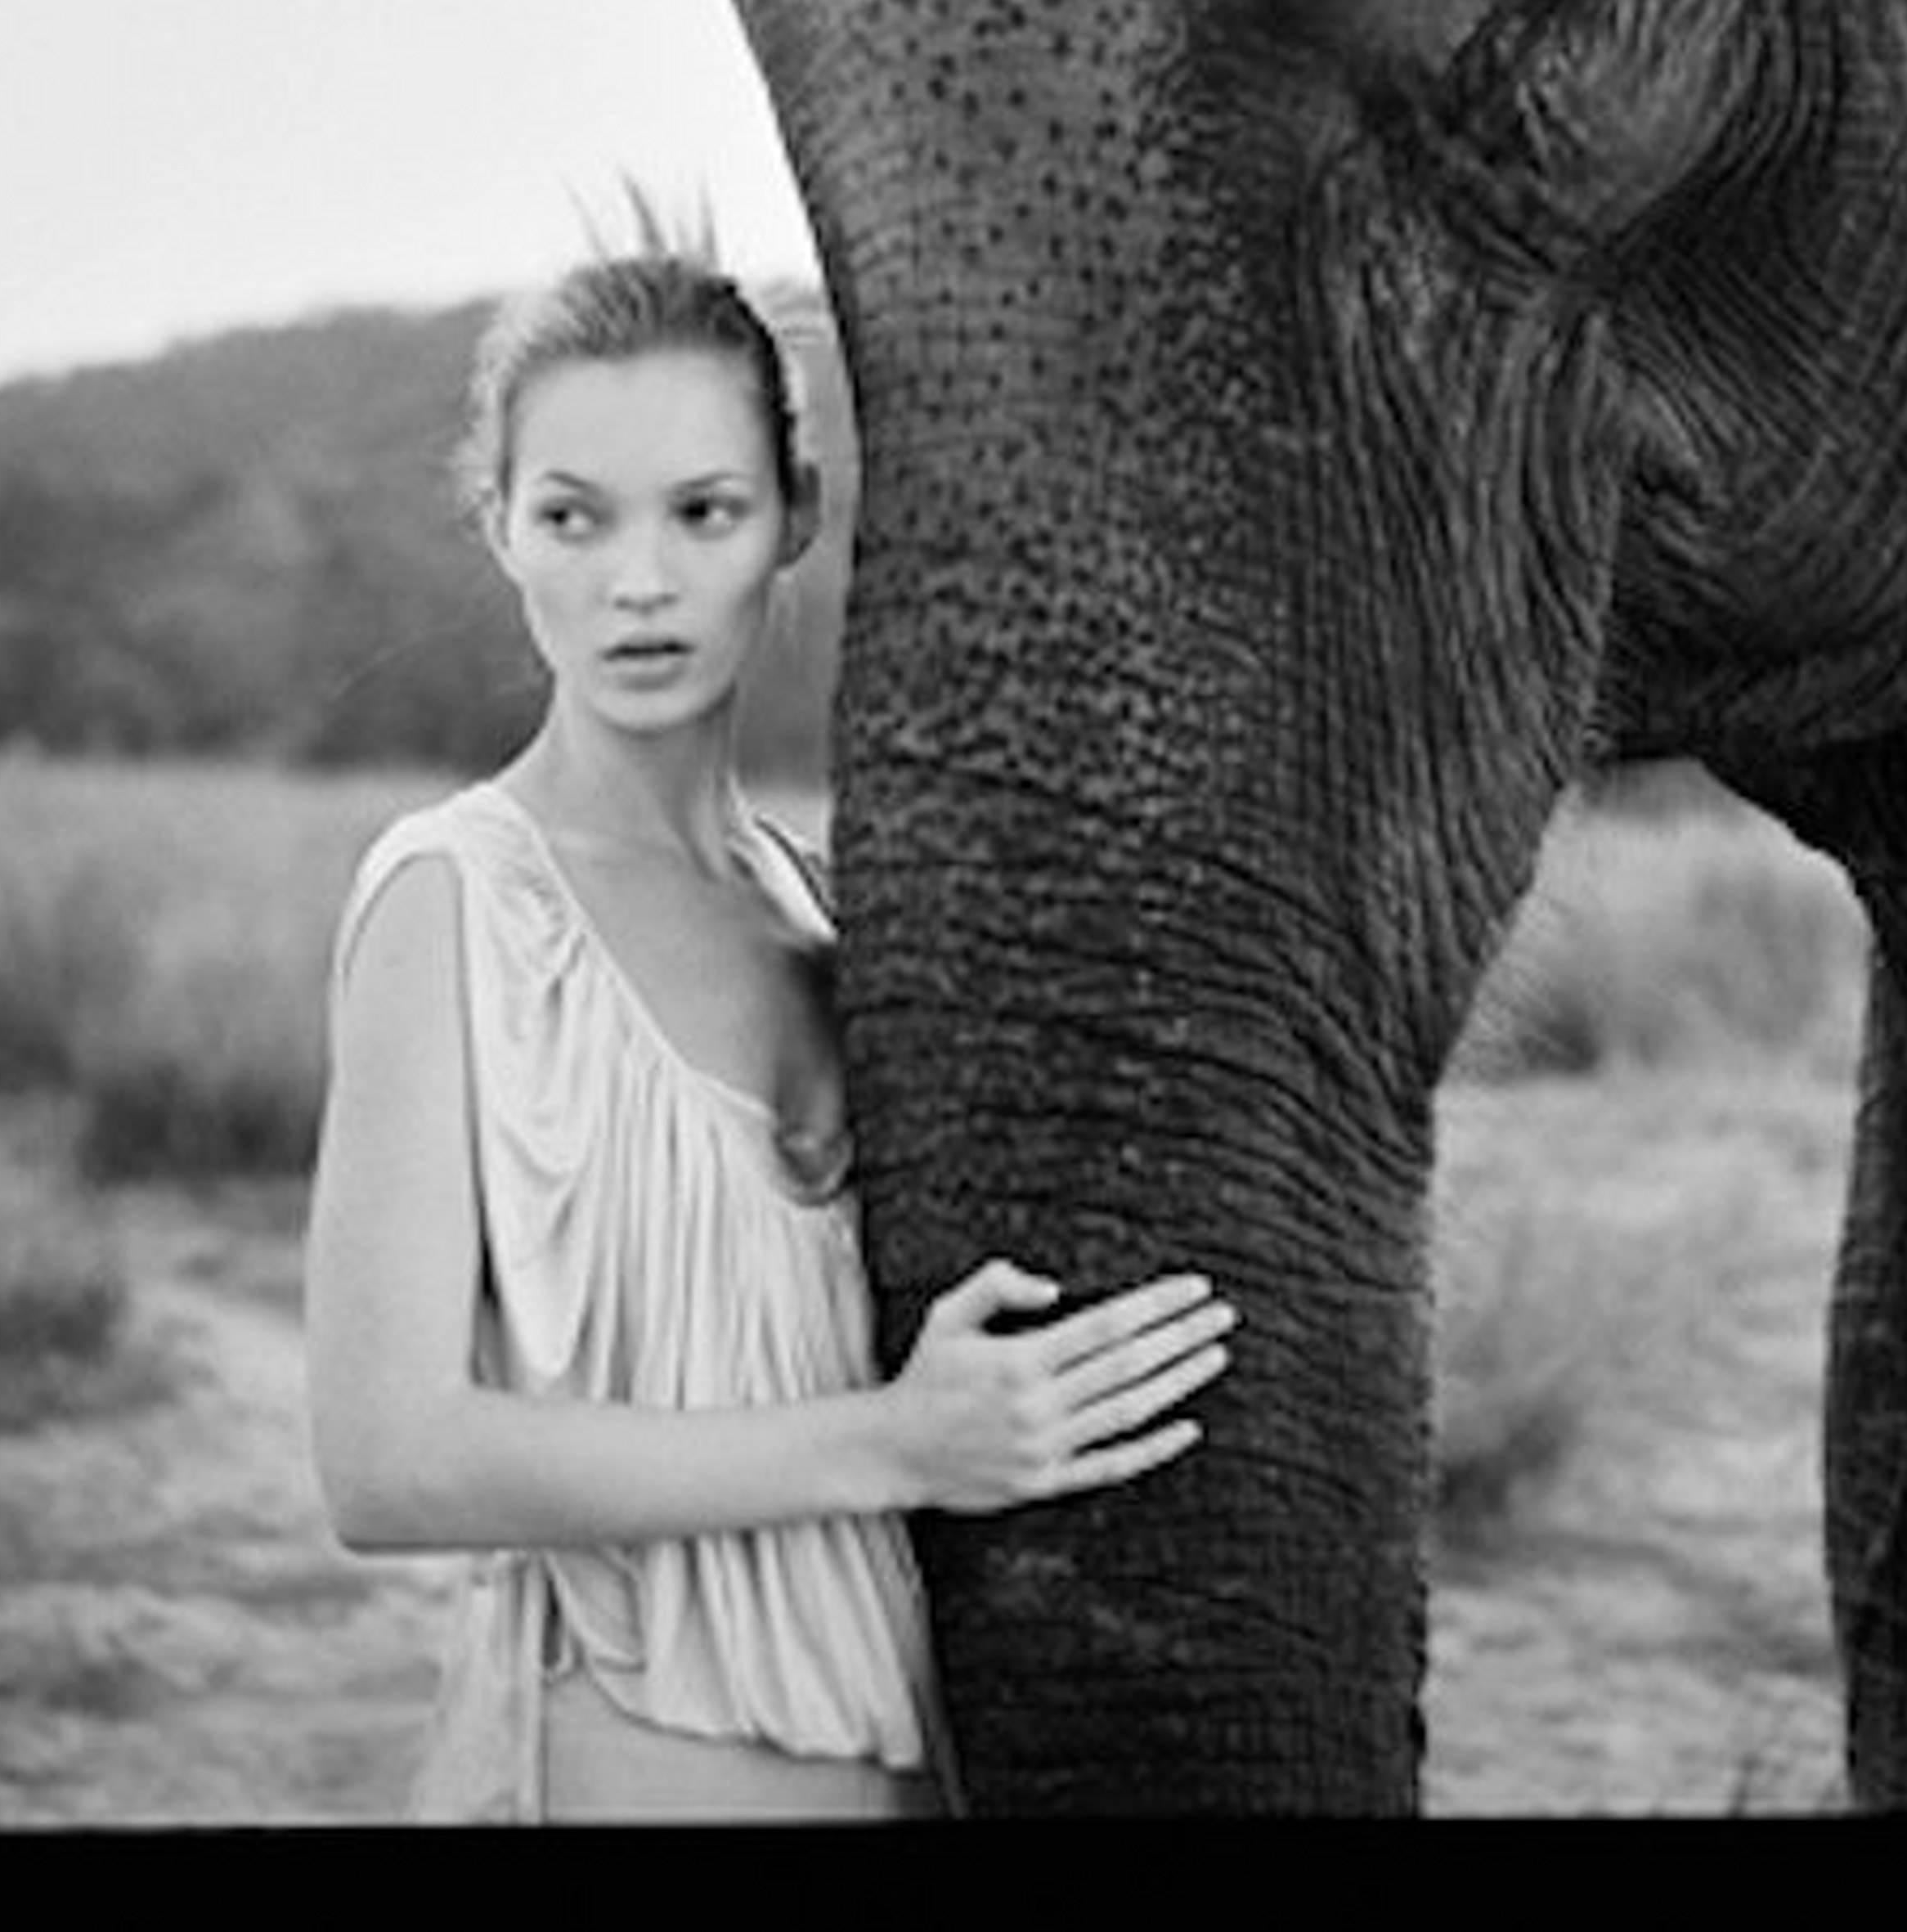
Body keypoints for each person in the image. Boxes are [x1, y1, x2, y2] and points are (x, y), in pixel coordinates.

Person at [303, 240, 1236, 1820]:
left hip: (907, 1757)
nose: (639, 581)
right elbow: (386, 1460)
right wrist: (896, 1443)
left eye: (703, 511)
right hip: (617, 1770)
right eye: (573, 516)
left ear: (791, 519)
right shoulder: (454, 899)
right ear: (501, 531)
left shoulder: (829, 918)